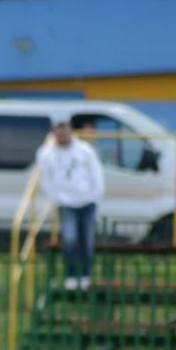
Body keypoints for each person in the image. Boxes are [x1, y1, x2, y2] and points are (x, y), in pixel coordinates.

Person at [36, 118, 105, 290]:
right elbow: (45, 179)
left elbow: (96, 172)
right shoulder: (46, 154)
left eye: (65, 129)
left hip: (87, 201)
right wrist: (56, 198)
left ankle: (85, 276)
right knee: (70, 239)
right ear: (54, 132)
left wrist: (96, 195)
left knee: (86, 241)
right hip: (66, 204)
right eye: (59, 130)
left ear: (70, 131)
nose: (62, 133)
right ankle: (71, 276)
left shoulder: (84, 150)